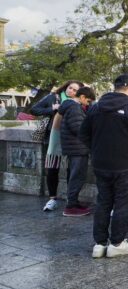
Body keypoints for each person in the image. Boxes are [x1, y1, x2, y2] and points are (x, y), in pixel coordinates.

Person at [80, 74, 128, 258]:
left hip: (101, 163)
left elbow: (83, 135)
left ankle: (99, 244)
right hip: (126, 164)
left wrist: (96, 150)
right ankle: (117, 243)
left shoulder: (95, 108)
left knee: (103, 201)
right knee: (122, 203)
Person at [31, 80, 84, 211]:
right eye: (69, 87)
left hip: (71, 140)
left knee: (71, 169)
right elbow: (34, 109)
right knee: (52, 169)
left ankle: (71, 199)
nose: (70, 91)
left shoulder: (80, 103)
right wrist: (52, 109)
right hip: (53, 138)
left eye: (75, 90)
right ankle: (52, 199)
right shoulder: (53, 98)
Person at [59, 86, 96, 216]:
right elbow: (79, 129)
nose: (89, 104)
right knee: (77, 177)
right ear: (82, 97)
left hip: (74, 147)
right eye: (89, 101)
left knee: (76, 176)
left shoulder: (70, 107)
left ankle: (73, 202)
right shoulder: (75, 108)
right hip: (77, 148)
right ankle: (71, 207)